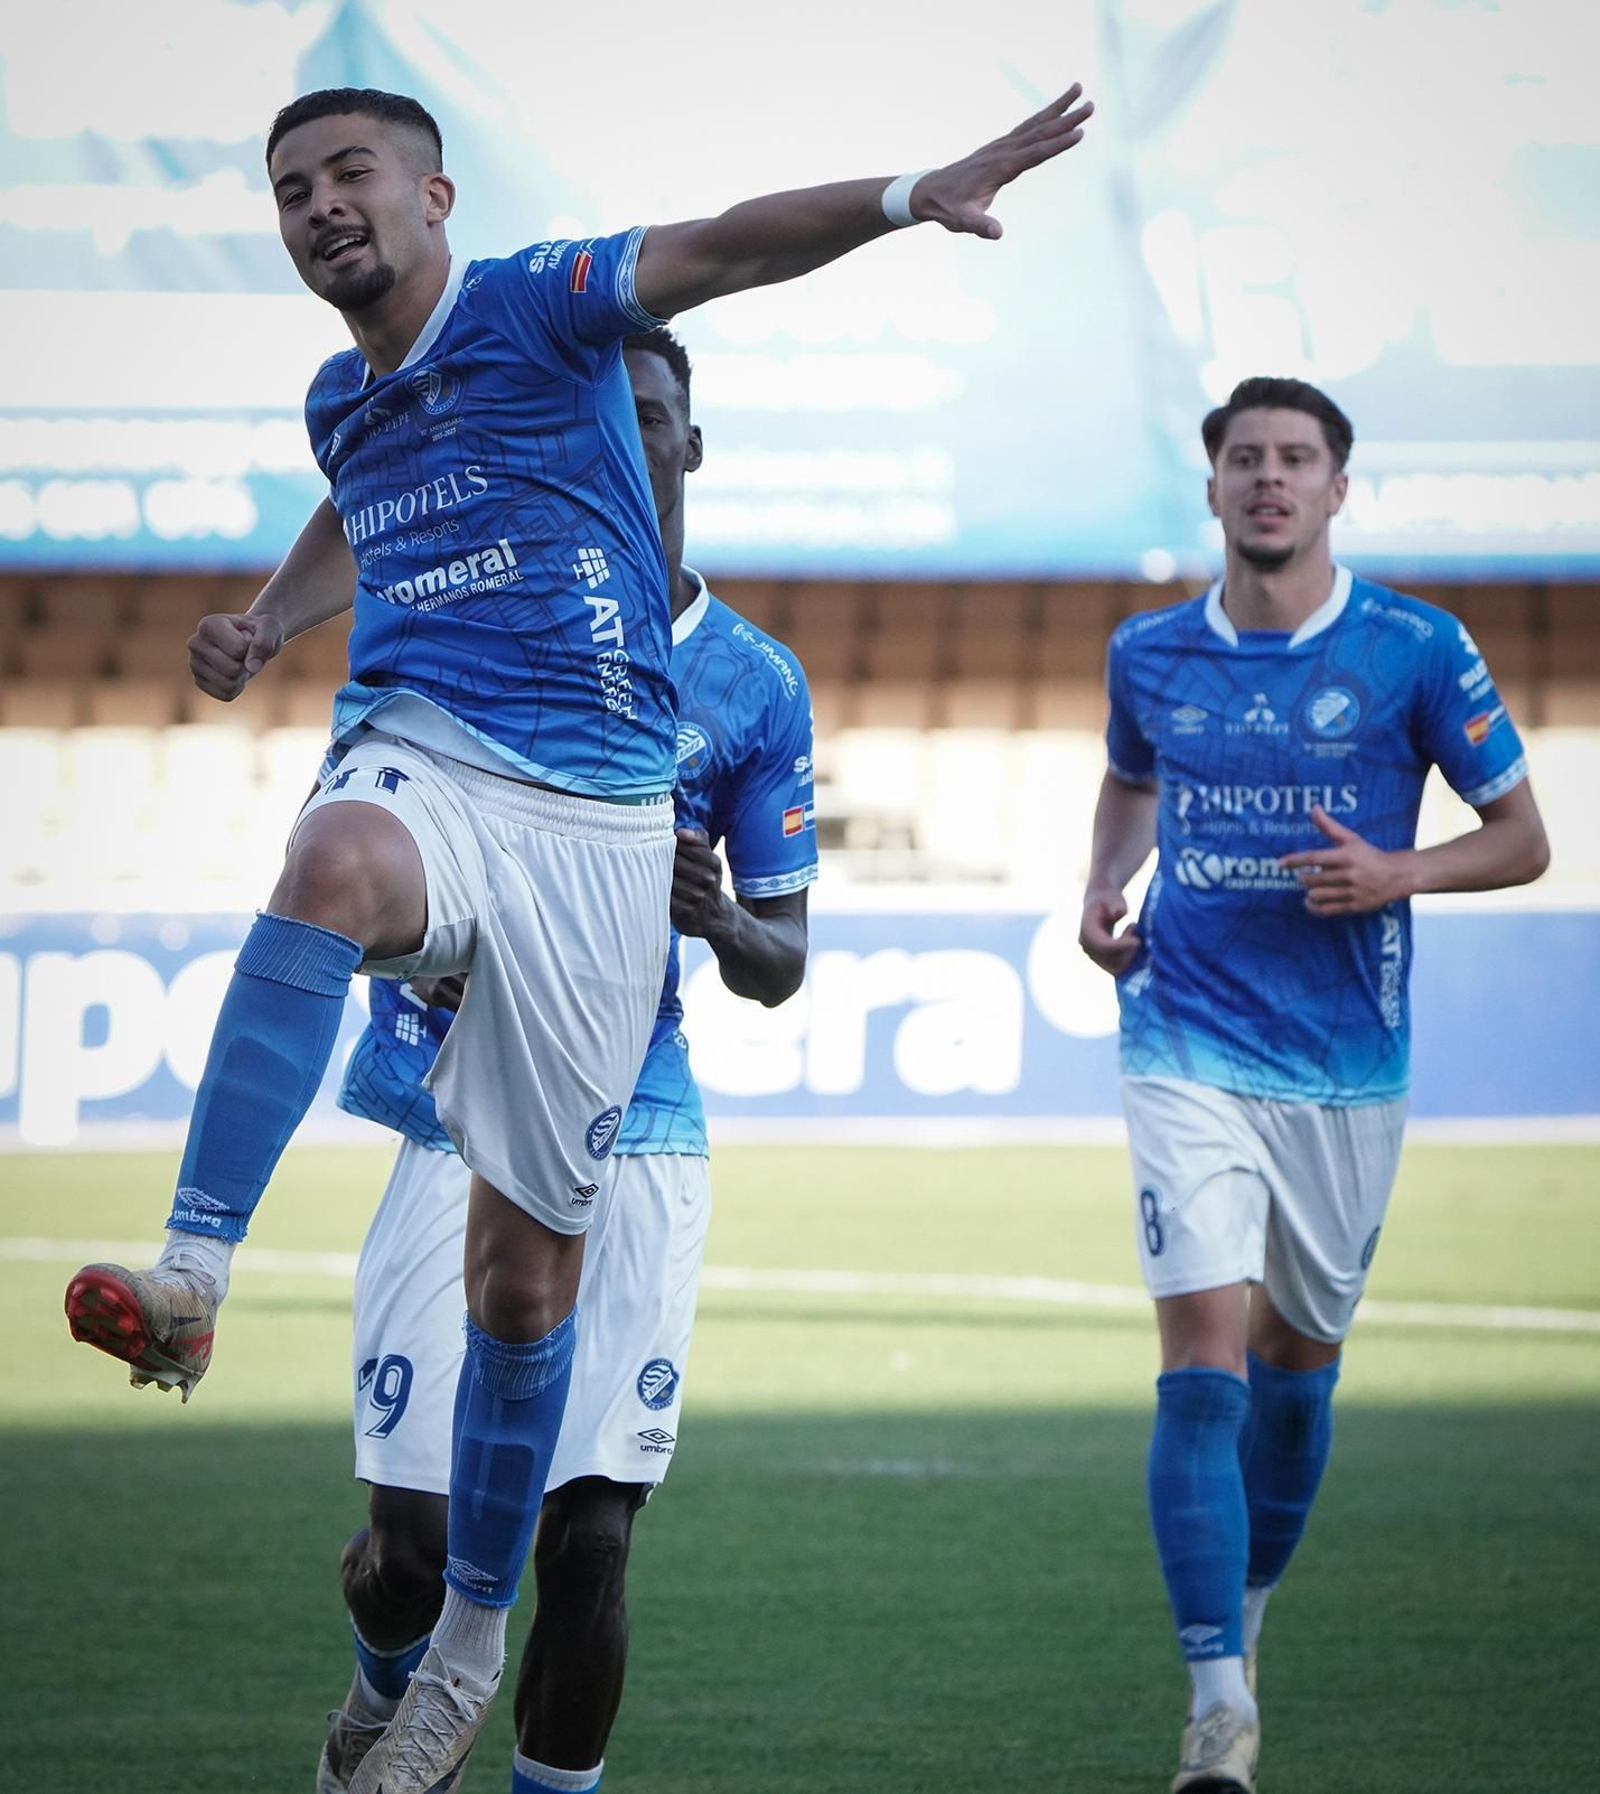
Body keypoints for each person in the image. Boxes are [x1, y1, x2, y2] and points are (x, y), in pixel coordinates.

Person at [66, 81, 1093, 1790]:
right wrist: (267, 614)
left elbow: (729, 245)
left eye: (351, 174)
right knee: (329, 856)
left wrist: (916, 190)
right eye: (291, 188)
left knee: (527, 1285)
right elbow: (355, 489)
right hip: (434, 755)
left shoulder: (543, 302)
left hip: (602, 829)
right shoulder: (347, 392)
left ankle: (472, 1646)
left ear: (433, 192)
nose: (322, 205)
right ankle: (195, 1266)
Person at [317, 326, 816, 1794]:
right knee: (408, 1560)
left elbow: (784, 966)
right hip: (449, 1115)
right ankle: (378, 1688)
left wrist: (716, 909)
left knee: (588, 1536)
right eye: (604, 412)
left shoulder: (755, 682)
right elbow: (368, 846)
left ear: (689, 444)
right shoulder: (481, 625)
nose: (631, 436)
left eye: (654, 415)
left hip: (638, 1125)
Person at [1077, 376, 1549, 1794]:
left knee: (1297, 1369)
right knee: (1204, 1357)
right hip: (1185, 1039)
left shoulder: (1417, 648)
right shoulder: (1148, 653)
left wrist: (1402, 870)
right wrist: (1102, 885)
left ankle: (1250, 1612)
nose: (1269, 480)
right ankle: (1217, 1705)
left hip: (1347, 1066)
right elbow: (1127, 780)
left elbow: (1523, 836)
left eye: (1297, 460)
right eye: (1245, 459)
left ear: (1340, 488)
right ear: (1211, 485)